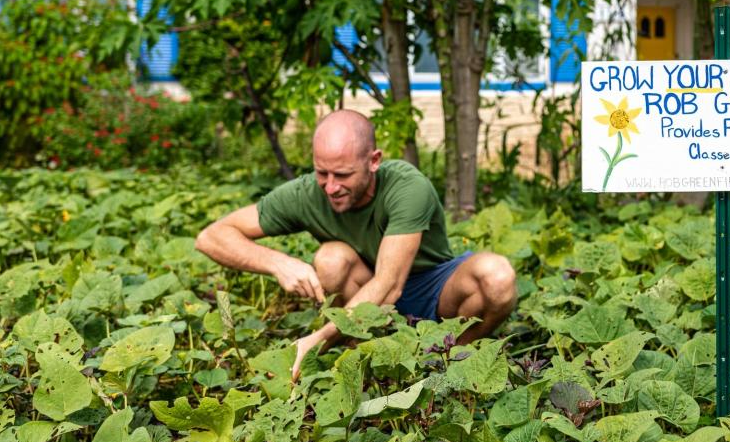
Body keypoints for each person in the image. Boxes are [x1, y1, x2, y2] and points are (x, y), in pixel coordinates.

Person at [195, 109, 517, 378]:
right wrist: (278, 262)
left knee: (497, 276)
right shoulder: (307, 193)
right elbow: (211, 237)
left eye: (343, 174)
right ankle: (360, 352)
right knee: (330, 258)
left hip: (433, 290)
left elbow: (390, 285)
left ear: (373, 161)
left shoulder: (407, 186)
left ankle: (445, 358)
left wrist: (317, 340)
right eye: (322, 172)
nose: (331, 187)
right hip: (362, 291)